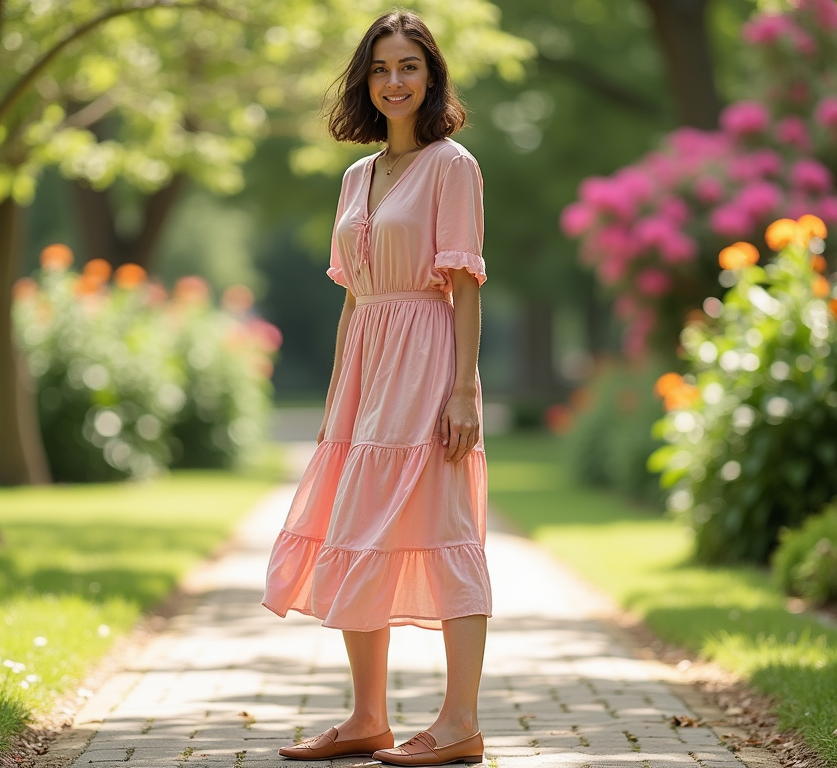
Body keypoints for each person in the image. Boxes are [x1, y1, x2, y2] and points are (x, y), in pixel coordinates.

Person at [262, 10, 491, 766]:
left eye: (410, 67)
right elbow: (354, 299)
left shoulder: (452, 165)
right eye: (383, 68)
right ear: (366, 79)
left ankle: (460, 723)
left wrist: (463, 391)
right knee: (355, 528)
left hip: (428, 360)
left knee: (445, 528)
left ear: (432, 77)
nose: (396, 82)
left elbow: (464, 287)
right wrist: (337, 395)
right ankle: (367, 718)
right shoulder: (356, 176)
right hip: (366, 367)